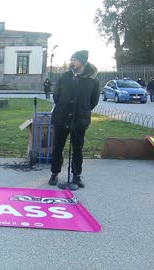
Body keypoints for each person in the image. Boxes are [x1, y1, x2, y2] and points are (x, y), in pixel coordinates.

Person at [48, 50, 100, 188]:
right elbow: (56, 96)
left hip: (79, 120)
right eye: (71, 59)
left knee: (78, 148)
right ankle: (54, 173)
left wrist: (82, 110)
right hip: (62, 117)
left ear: (82, 62)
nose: (72, 62)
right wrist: (63, 107)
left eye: (74, 60)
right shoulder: (65, 77)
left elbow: (94, 101)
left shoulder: (92, 80)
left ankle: (76, 176)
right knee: (58, 147)